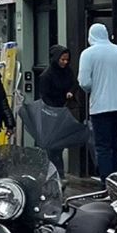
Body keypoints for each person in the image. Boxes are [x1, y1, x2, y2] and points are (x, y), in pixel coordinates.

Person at [77, 24, 117, 181]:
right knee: (114, 145)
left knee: (102, 147)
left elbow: (84, 82)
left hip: (100, 106)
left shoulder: (88, 54)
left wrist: (95, 86)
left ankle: (106, 182)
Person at [38, 44, 78, 176]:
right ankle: (54, 173)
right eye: (62, 60)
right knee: (52, 147)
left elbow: (74, 83)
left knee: (58, 147)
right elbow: (44, 96)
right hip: (51, 114)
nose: (65, 62)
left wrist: (71, 92)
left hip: (64, 112)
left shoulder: (68, 72)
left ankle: (57, 174)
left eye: (67, 60)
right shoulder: (47, 76)